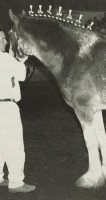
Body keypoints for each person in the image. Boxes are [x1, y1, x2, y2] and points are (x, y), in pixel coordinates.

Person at [0, 28, 36, 193]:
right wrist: (23, 59)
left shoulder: (5, 59)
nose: (5, 41)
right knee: (14, 145)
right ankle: (16, 182)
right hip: (6, 107)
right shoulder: (4, 58)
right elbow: (22, 75)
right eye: (2, 38)